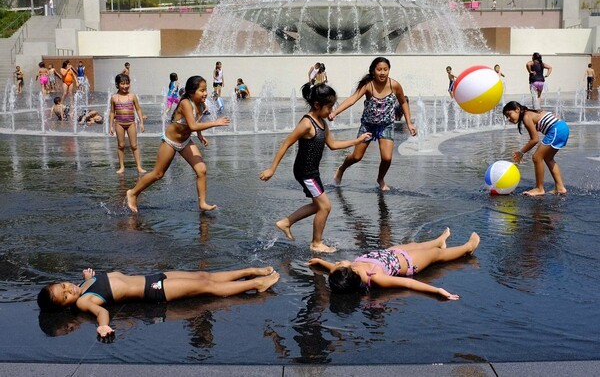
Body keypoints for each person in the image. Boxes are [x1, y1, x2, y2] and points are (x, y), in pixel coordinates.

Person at [260, 83, 371, 253]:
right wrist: (272, 169)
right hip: (305, 172)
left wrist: (357, 141)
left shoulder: (322, 123)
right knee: (325, 206)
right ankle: (316, 243)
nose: (331, 111)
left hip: (312, 172)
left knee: (318, 205)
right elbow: (286, 144)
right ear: (317, 105)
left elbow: (333, 145)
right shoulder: (307, 123)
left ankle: (286, 222)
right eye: (329, 107)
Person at [37, 266, 280, 338]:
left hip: (154, 277)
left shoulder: (83, 286)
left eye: (63, 287)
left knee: (204, 276)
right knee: (208, 288)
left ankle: (250, 271)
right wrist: (103, 325)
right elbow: (100, 312)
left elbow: (96, 285)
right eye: (65, 296)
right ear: (66, 306)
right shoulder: (83, 303)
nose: (69, 290)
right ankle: (255, 284)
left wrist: (89, 278)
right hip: (155, 290)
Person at [127, 76, 230, 213]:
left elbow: (195, 123)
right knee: (158, 174)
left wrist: (200, 135)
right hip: (171, 142)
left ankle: (202, 203)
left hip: (185, 141)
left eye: (206, 90)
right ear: (191, 91)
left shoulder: (201, 104)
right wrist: (215, 123)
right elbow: (193, 125)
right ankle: (133, 193)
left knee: (201, 170)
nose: (205, 93)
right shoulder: (186, 103)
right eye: (202, 90)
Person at [308, 228, 479, 299]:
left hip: (392, 252)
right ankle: (468, 247)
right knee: (436, 255)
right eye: (338, 264)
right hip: (409, 262)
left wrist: (321, 262)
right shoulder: (375, 278)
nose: (336, 262)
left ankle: (439, 240)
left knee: (416, 245)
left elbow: (337, 272)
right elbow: (408, 283)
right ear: (348, 271)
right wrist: (438, 291)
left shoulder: (350, 272)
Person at [329, 57, 417, 191]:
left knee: (387, 158)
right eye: (379, 69)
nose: (382, 73)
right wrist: (335, 112)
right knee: (356, 157)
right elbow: (352, 99)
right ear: (373, 71)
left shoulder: (395, 85)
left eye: (385, 70)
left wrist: (409, 123)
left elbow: (403, 102)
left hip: (386, 125)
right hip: (368, 125)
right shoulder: (368, 85)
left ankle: (380, 179)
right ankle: (341, 169)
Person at [503, 101, 569, 196]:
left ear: (517, 109)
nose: (508, 118)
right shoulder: (531, 112)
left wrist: (521, 152)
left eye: (509, 114)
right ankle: (560, 187)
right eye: (506, 117)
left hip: (556, 130)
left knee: (536, 157)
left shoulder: (526, 116)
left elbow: (534, 139)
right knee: (548, 158)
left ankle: (539, 188)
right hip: (562, 128)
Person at [109, 73, 146, 174]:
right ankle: (121, 167)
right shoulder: (114, 97)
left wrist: (141, 122)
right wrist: (110, 126)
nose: (125, 86)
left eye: (127, 83)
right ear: (117, 85)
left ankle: (139, 166)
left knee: (134, 145)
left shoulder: (132, 96)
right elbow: (112, 112)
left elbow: (138, 109)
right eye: (122, 84)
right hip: (119, 123)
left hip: (131, 123)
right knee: (121, 145)